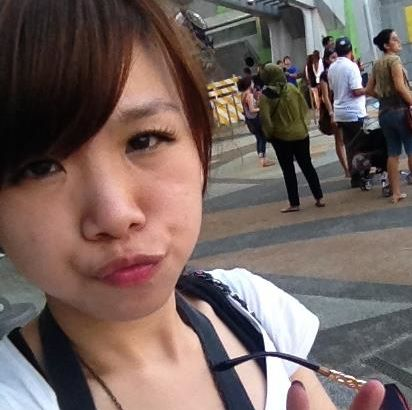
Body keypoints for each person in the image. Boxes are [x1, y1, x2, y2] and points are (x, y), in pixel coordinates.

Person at [0, 1, 386, 409]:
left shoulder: (250, 307)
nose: (115, 215)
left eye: (143, 140)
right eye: (41, 168)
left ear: (198, 139)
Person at [259, 64, 325, 213]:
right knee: (307, 166)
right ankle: (319, 197)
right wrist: (303, 125)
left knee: (288, 171)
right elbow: (304, 108)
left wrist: (269, 135)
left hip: (281, 137)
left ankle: (294, 203)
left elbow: (265, 120)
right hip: (301, 134)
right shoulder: (291, 88)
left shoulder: (266, 96)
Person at [366, 29, 412, 203]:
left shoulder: (377, 64)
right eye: (394, 39)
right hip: (401, 111)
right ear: (386, 45)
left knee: (393, 153)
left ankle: (396, 193)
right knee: (411, 148)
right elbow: (400, 87)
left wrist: (383, 98)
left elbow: (368, 89)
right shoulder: (394, 60)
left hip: (384, 113)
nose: (398, 40)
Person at [328, 37, 367, 188]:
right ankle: (363, 174)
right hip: (354, 112)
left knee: (350, 145)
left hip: (340, 113)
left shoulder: (332, 68)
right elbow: (356, 91)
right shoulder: (351, 66)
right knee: (362, 144)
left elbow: (332, 89)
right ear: (351, 51)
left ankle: (354, 177)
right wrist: (369, 89)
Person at [319, 48, 350, 177]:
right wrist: (331, 113)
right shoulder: (325, 75)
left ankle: (353, 166)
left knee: (348, 138)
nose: (335, 60)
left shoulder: (343, 69)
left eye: (336, 57)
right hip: (334, 109)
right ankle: (347, 169)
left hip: (346, 106)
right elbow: (325, 97)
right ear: (326, 60)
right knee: (340, 139)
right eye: (332, 57)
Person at [237, 77, 274, 167]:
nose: (253, 84)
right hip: (255, 119)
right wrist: (261, 108)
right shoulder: (249, 95)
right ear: (249, 84)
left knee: (259, 138)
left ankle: (261, 158)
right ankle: (263, 159)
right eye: (252, 82)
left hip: (249, 120)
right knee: (262, 138)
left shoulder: (243, 94)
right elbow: (252, 109)